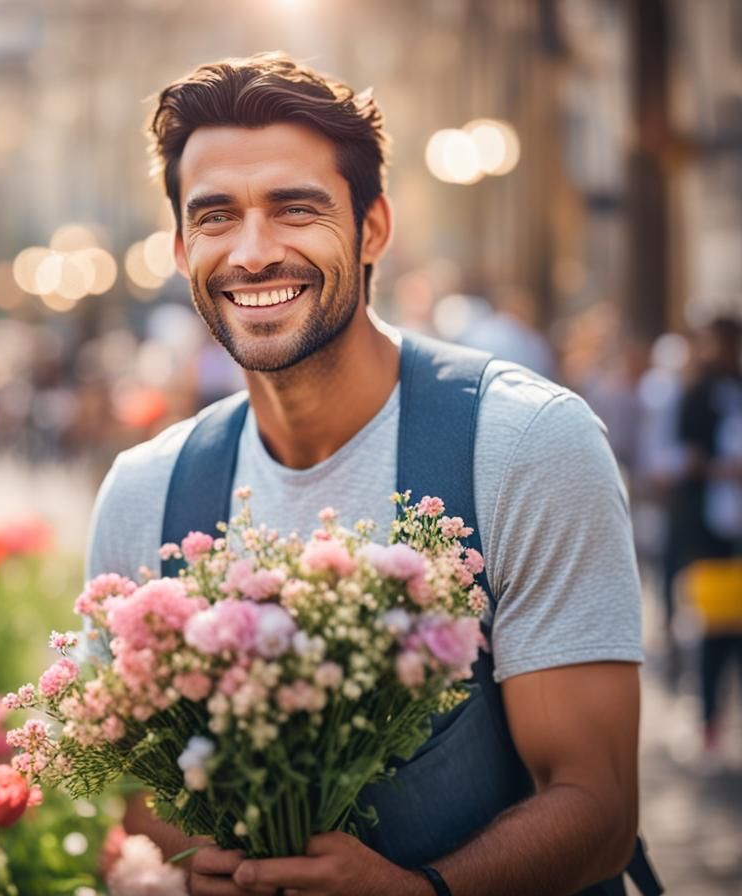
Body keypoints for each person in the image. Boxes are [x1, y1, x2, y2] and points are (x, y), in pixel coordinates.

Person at [86, 54, 649, 895]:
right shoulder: (145, 491)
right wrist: (197, 864)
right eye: (215, 216)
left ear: (374, 227)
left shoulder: (523, 444)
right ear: (179, 248)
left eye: (295, 208)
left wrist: (421, 892)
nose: (252, 253)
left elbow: (596, 805)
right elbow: (138, 798)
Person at [670, 317, 742, 763]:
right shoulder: (696, 394)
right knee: (714, 627)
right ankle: (710, 720)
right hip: (711, 531)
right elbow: (685, 456)